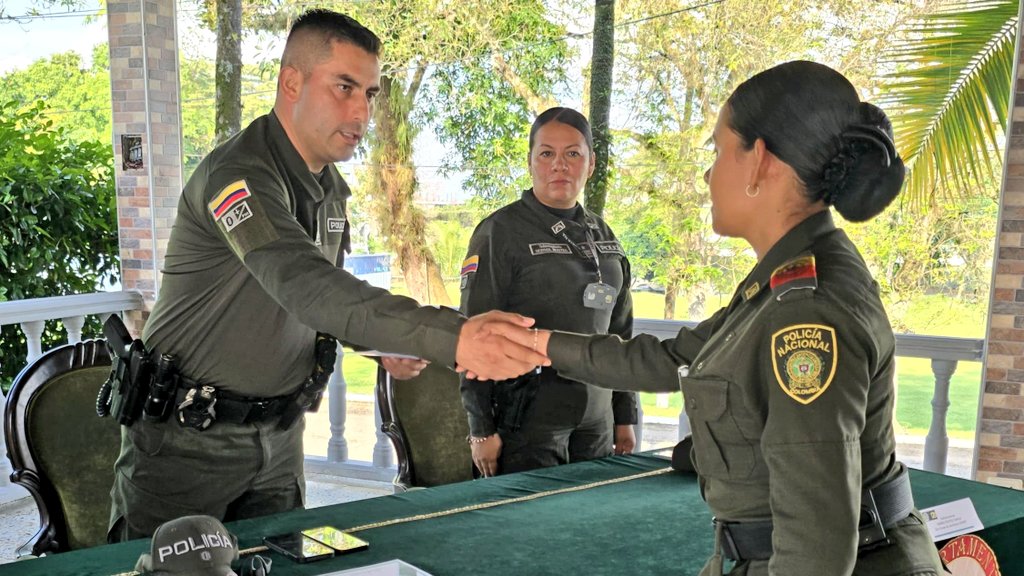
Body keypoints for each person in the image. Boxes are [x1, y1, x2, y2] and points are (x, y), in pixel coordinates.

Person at [108, 9, 546, 542]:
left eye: (370, 94)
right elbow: (304, 284)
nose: (362, 111)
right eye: (344, 87)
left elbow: (329, 299)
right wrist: (455, 336)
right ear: (291, 82)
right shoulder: (239, 175)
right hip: (185, 442)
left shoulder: (329, 190)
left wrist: (379, 345)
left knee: (278, 565)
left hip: (279, 437)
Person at [521, 62, 949, 575]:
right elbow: (668, 359)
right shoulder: (782, 280)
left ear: (759, 161)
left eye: (718, 151)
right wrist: (537, 344)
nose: (708, 175)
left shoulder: (806, 313)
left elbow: (815, 546)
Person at [459, 107, 638, 477]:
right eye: (546, 153)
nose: (560, 165)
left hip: (597, 421)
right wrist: (481, 429)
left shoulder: (604, 236)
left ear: (591, 164)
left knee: (591, 511)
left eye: (573, 153)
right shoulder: (500, 232)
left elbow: (620, 334)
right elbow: (474, 335)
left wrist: (625, 415)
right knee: (530, 514)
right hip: (527, 420)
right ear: (530, 162)